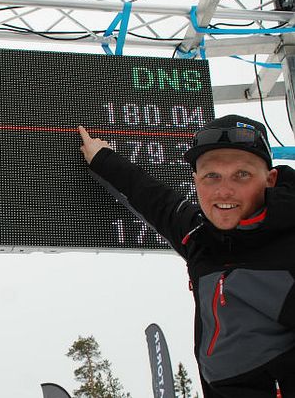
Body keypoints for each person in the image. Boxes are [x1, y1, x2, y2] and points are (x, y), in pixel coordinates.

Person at [78, 114, 295, 397]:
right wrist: (102, 158)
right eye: (211, 176)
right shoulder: (200, 237)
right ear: (196, 182)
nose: (224, 190)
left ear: (270, 179)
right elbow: (154, 198)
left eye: (242, 174)